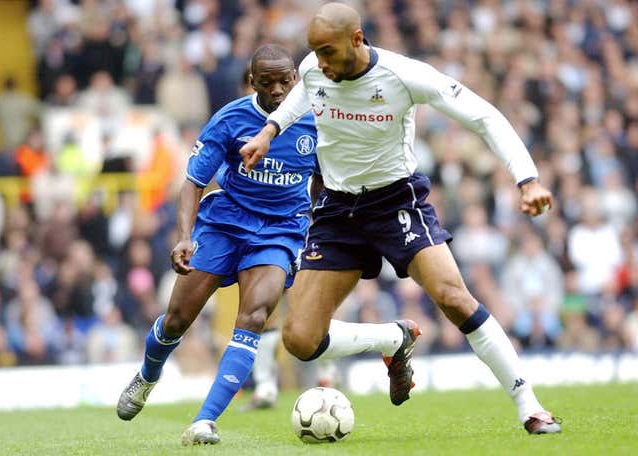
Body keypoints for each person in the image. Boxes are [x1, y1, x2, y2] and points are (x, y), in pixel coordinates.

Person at [240, 3, 561, 435]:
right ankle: (393, 338)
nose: (319, 63)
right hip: (336, 208)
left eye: (328, 52)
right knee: (300, 339)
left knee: (452, 296)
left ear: (357, 40)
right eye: (313, 52)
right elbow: (301, 94)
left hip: (396, 202)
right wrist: (269, 131)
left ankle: (530, 406)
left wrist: (527, 180)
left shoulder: (403, 75)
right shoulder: (315, 68)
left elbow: (485, 116)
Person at [117, 44, 322, 445]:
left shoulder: (316, 121)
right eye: (268, 82)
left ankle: (204, 421)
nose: (278, 90)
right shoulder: (231, 119)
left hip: (280, 230)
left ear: (296, 80)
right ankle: (147, 375)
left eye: (285, 81)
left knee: (254, 316)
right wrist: (184, 237)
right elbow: (194, 182)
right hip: (225, 223)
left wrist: (314, 217)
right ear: (252, 82)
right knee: (177, 319)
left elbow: (324, 177)